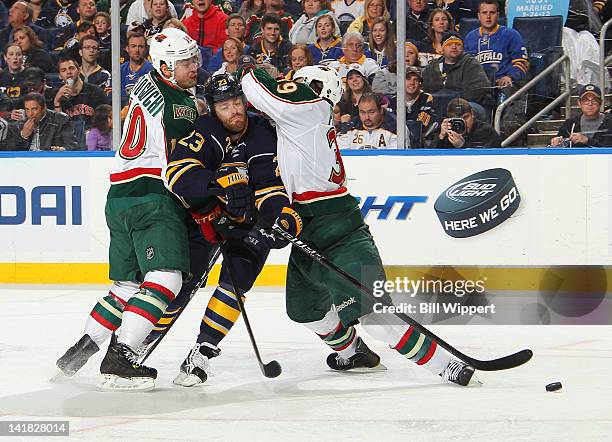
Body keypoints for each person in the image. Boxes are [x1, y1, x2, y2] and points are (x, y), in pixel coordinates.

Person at [239, 64, 475, 385]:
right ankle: (353, 352)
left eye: (297, 84)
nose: (289, 87)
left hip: (340, 231)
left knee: (376, 316)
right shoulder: (301, 123)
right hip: (307, 227)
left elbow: (252, 85)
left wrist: (256, 70)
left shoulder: (308, 109)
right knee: (304, 309)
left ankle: (446, 365)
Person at [55, 28, 209, 391]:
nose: (195, 67)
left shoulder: (143, 84)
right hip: (153, 195)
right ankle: (120, 357)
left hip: (119, 196)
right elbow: (187, 156)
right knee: (167, 278)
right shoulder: (180, 102)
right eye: (187, 61)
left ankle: (80, 350)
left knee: (126, 286)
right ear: (167, 66)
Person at [160, 72, 289, 386]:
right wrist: (216, 183)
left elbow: (270, 185)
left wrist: (278, 219)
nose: (234, 110)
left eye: (237, 102)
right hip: (211, 221)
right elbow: (176, 175)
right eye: (224, 106)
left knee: (236, 282)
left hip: (250, 223)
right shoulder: (206, 130)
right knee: (182, 283)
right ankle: (142, 337)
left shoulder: (262, 132)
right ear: (211, 108)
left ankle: (203, 350)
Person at [464, 0, 529, 102]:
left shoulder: (511, 35)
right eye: (484, 13)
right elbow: (466, 66)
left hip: (504, 84)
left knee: (507, 93)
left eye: (492, 13)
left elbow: (522, 62)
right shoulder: (470, 38)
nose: (488, 16)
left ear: (498, 15)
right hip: (479, 86)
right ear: (479, 16)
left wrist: (510, 77)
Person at [422, 31, 491, 120]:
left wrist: (453, 100)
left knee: (463, 110)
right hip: (437, 106)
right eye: (449, 44)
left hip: (465, 104)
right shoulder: (432, 67)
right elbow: (424, 89)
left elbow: (479, 89)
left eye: (458, 44)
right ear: (442, 49)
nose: (454, 47)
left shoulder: (471, 64)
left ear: (462, 48)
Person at [3, 92, 78, 151]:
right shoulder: (19, 123)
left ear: (44, 108)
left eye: (34, 109)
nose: (30, 113)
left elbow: (72, 146)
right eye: (27, 109)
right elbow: (10, 151)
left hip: (50, 160)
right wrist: (23, 136)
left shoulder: (61, 120)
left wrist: (61, 149)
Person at [54, 56, 109, 133]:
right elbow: (58, 128)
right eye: (63, 70)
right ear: (60, 76)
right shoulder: (57, 96)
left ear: (79, 70)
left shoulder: (96, 92)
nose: (68, 72)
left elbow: (106, 120)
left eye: (71, 68)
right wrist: (57, 102)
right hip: (68, 140)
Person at [338, 92, 404, 149]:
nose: (367, 117)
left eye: (371, 112)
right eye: (362, 112)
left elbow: (396, 158)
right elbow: (341, 154)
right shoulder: (350, 128)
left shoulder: (396, 129)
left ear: (380, 110)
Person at [389, 66, 437, 138]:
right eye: (408, 79)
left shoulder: (426, 98)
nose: (412, 83)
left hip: (421, 140)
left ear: (420, 83)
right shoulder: (394, 100)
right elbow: (390, 125)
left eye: (416, 80)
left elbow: (422, 125)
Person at [433, 97, 501, 148]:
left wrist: (463, 146)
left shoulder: (486, 131)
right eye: (457, 119)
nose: (463, 122)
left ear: (472, 114)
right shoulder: (445, 131)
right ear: (449, 118)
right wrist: (441, 137)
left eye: (466, 117)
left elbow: (491, 158)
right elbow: (429, 158)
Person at [120, 32, 153, 105]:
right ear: (127, 48)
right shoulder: (120, 70)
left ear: (146, 49)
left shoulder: (152, 70)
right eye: (133, 46)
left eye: (141, 46)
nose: (137, 50)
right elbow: (111, 93)